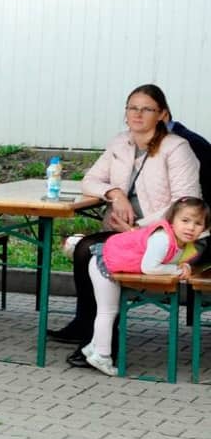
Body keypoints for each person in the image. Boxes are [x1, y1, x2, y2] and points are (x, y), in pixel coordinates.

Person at [49, 85, 201, 367]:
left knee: (92, 251)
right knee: (86, 250)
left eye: (147, 109)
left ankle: (102, 342)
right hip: (125, 232)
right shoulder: (120, 143)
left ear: (162, 114)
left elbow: (185, 203)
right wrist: (114, 193)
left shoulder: (177, 148)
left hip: (164, 237)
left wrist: (138, 227)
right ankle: (89, 330)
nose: (138, 114)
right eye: (133, 108)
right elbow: (89, 181)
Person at [81, 197, 209, 376]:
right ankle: (102, 355)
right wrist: (177, 271)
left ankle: (93, 347)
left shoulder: (182, 242)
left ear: (204, 229)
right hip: (104, 262)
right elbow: (149, 267)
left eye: (198, 223)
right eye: (185, 220)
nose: (191, 227)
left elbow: (176, 260)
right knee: (107, 311)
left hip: (114, 264)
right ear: (172, 221)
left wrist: (185, 266)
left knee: (110, 310)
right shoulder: (162, 238)